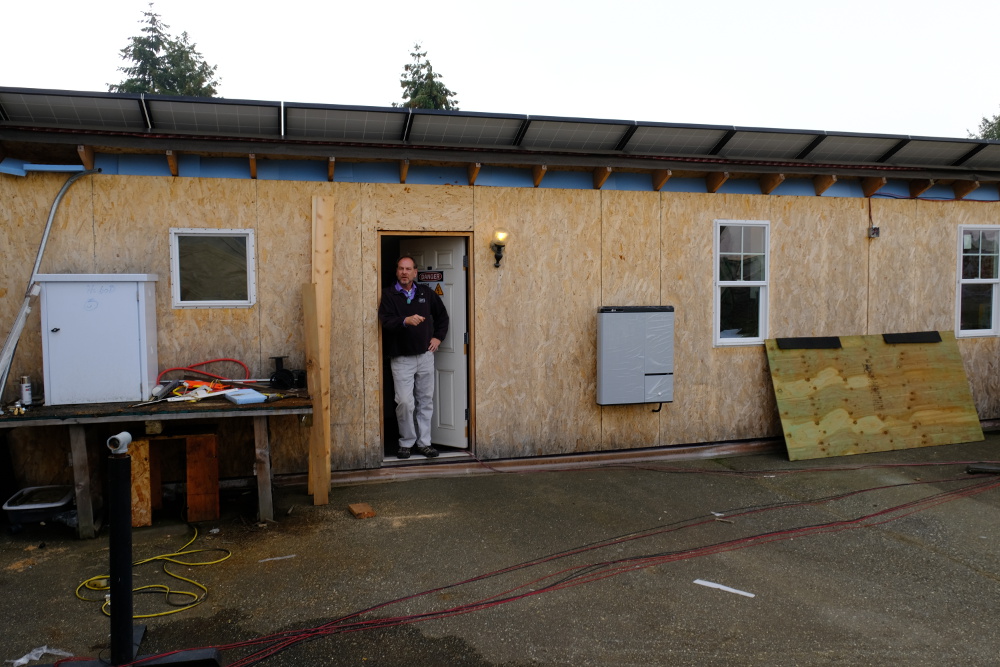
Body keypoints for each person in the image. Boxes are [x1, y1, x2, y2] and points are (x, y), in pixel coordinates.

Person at [378, 255, 449, 459]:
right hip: (401, 358)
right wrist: (405, 320)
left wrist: (438, 338)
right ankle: (406, 442)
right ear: (397, 271)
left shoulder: (426, 293)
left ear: (415, 272)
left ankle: (424, 443)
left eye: (408, 269)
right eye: (401, 268)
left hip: (426, 355)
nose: (404, 272)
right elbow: (385, 321)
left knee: (425, 401)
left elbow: (442, 316)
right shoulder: (389, 295)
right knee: (404, 402)